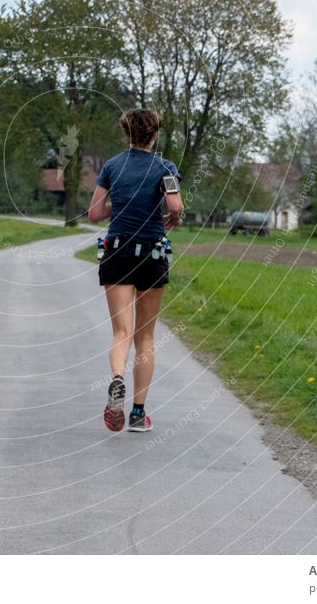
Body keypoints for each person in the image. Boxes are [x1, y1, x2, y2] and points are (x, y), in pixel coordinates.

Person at [88, 109, 183, 433]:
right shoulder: (164, 167)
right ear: (154, 134)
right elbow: (174, 206)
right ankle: (138, 414)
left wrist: (121, 205)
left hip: (117, 250)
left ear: (126, 134)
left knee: (121, 333)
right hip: (152, 251)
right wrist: (176, 216)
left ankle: (117, 378)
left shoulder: (112, 166)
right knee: (145, 337)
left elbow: (94, 213)